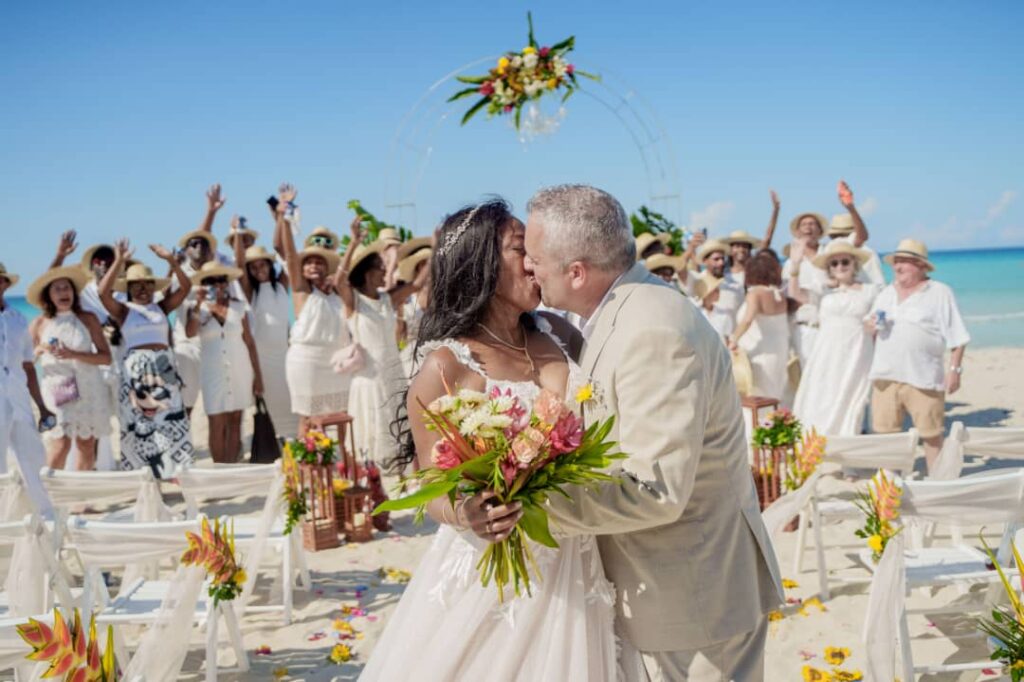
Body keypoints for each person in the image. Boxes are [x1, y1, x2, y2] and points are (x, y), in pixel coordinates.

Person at [520, 184, 782, 681]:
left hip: (693, 601)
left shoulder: (653, 329)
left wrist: (527, 506)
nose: (529, 268)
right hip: (664, 591)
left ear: (577, 272)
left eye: (535, 258)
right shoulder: (619, 310)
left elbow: (655, 491)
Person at [361, 198, 617, 681]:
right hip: (497, 562)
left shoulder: (560, 332)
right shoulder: (447, 366)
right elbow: (429, 480)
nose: (535, 260)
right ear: (480, 265)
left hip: (578, 552)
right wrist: (468, 513)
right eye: (522, 248)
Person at [867, 239, 969, 471]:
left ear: (921, 266)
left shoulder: (940, 292)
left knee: (931, 436)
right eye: (897, 261)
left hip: (923, 377)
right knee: (885, 437)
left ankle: (939, 484)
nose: (898, 267)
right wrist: (870, 326)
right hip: (885, 376)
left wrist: (954, 371)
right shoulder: (885, 294)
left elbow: (958, 337)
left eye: (905, 262)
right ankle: (889, 487)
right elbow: (870, 328)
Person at [99, 240, 194, 478]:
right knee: (141, 428)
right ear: (128, 288)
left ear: (154, 286)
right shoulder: (124, 310)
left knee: (170, 423)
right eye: (136, 284)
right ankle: (146, 482)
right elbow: (102, 292)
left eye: (147, 284)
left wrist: (171, 261)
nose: (142, 288)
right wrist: (119, 260)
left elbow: (186, 286)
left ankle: (175, 477)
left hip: (164, 371)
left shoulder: (161, 307)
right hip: (137, 377)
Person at [337, 218, 426, 462]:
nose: (385, 270)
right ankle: (371, 481)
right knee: (370, 436)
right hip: (369, 377)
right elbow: (338, 281)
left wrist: (436, 246)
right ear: (366, 272)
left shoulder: (389, 298)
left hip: (392, 371)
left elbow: (417, 284)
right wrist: (354, 243)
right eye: (379, 266)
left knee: (397, 431)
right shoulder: (353, 302)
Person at [277, 185, 352, 435]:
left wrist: (355, 241)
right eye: (308, 261)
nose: (313, 266)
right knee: (308, 417)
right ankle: (306, 469)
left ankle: (343, 463)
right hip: (306, 360)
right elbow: (289, 254)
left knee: (342, 413)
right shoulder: (301, 290)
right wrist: (284, 215)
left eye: (319, 261)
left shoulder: (339, 290)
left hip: (336, 359)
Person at [27, 265, 111, 469]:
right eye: (57, 289)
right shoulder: (39, 323)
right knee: (60, 444)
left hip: (89, 387)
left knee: (86, 444)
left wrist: (74, 354)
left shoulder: (88, 318)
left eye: (67, 288)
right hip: (58, 388)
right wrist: (39, 350)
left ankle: (81, 499)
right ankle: (50, 495)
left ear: (74, 292)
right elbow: (25, 362)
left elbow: (106, 358)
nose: (64, 292)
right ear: (49, 295)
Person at [792, 241, 879, 435]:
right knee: (823, 392)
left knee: (852, 398)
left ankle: (847, 443)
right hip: (827, 351)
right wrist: (795, 266)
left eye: (845, 262)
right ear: (829, 268)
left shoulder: (870, 291)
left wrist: (874, 324)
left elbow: (881, 315)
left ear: (854, 264)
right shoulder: (823, 291)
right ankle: (816, 441)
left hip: (856, 351)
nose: (840, 266)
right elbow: (795, 293)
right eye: (834, 263)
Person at [185, 262, 264, 462]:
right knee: (216, 419)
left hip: (240, 368)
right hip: (213, 371)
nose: (217, 284)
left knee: (235, 419)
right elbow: (190, 332)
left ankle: (231, 467)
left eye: (221, 280)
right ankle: (220, 467)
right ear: (203, 284)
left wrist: (258, 377)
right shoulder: (198, 309)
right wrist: (198, 303)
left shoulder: (239, 306)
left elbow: (250, 342)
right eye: (210, 281)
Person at [171, 184, 232, 414]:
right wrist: (210, 212)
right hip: (186, 346)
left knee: (219, 406)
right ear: (185, 250)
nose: (198, 247)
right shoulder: (181, 273)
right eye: (192, 245)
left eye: (203, 246)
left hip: (212, 344)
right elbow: (199, 237)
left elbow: (202, 239)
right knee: (185, 404)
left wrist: (213, 212)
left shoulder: (215, 271)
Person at [0, 262, 54, 516]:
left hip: (18, 395)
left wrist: (42, 407)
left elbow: (28, 366)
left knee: (32, 457)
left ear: (5, 284)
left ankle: (46, 516)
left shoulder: (19, 319)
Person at [232, 225, 296, 438]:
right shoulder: (251, 294)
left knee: (293, 407)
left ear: (270, 264)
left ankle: (296, 453)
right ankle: (284, 454)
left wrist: (278, 218)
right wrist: (239, 235)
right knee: (275, 412)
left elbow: (285, 252)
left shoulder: (281, 286)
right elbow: (239, 267)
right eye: (254, 267)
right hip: (263, 360)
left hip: (286, 356)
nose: (259, 269)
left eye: (263, 264)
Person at [729, 251, 790, 402]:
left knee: (759, 396)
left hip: (759, 352)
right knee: (776, 394)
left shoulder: (755, 293)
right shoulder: (780, 295)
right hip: (780, 351)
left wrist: (733, 340)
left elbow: (747, 320)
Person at [395, 244, 432, 377]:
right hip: (411, 359)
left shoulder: (443, 300)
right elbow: (398, 337)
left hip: (438, 356)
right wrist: (399, 313)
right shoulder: (407, 300)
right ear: (418, 270)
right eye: (424, 266)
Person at [691, 271, 731, 340]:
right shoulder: (695, 314)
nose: (719, 291)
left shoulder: (724, 314)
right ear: (707, 295)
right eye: (715, 290)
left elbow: (727, 339)